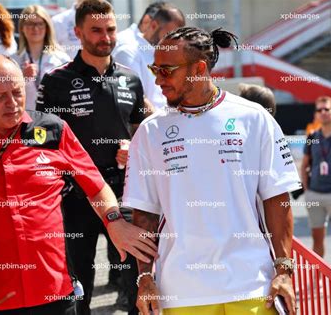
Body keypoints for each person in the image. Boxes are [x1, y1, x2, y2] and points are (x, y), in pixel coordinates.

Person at [0, 54, 157, 314]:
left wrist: (113, 220)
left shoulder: (53, 130)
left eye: (18, 92)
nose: (12, 104)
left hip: (55, 293)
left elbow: (95, 186)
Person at [123, 27, 302, 315]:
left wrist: (284, 270)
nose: (157, 80)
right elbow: (145, 213)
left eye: (166, 70)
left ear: (199, 68)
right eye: (154, 69)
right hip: (181, 292)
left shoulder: (254, 119)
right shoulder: (150, 131)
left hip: (251, 285)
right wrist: (144, 277)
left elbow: (277, 198)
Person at [36, 1, 153, 314]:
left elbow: (143, 130)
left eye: (111, 29)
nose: (106, 37)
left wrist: (134, 148)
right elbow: (43, 145)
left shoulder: (131, 78)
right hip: (76, 194)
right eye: (96, 30)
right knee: (78, 281)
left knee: (134, 277)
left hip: (124, 193)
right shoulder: (56, 81)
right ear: (78, 33)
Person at [300, 96, 331, 277]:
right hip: (315, 193)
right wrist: (306, 187)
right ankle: (316, 281)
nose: (322, 113)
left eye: (326, 109)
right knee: (317, 239)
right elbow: (304, 164)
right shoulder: (313, 137)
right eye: (319, 110)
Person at [112, 2, 185, 110]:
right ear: (154, 25)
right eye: (169, 35)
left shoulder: (161, 51)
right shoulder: (128, 51)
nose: (174, 41)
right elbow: (135, 96)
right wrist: (156, 123)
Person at [13, 5, 70, 111]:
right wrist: (21, 78)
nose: (35, 28)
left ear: (47, 27)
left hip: (53, 119)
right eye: (30, 24)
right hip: (25, 119)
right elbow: (4, 92)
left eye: (40, 24)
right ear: (22, 27)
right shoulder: (12, 61)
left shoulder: (62, 59)